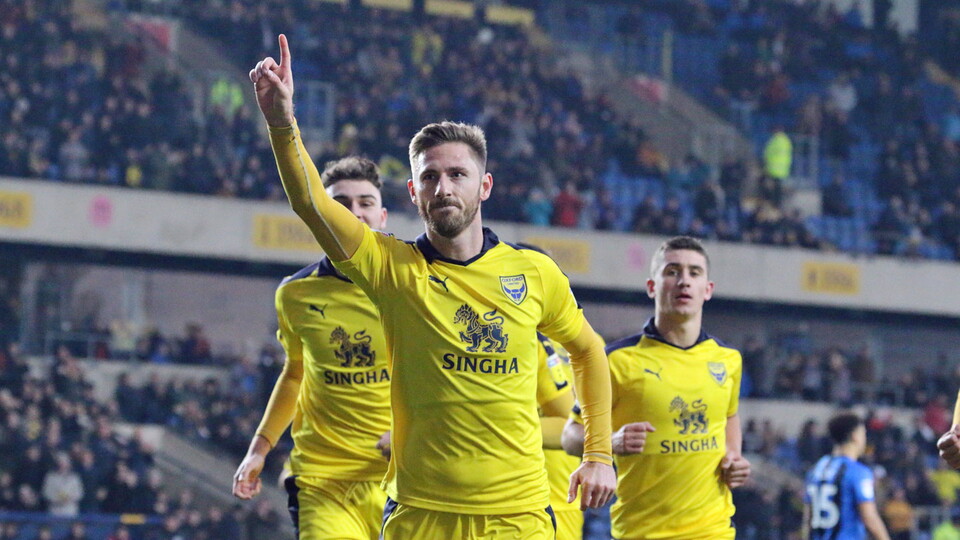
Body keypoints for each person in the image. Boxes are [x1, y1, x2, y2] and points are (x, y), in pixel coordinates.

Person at [249, 34, 615, 539]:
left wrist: (599, 453)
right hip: (421, 515)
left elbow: (589, 351)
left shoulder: (533, 271)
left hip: (518, 517)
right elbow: (311, 203)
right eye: (430, 177)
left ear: (484, 186)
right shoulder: (391, 268)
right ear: (413, 192)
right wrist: (281, 121)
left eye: (458, 174)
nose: (444, 188)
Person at [232, 157, 391, 539]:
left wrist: (408, 432)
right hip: (322, 479)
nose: (354, 213)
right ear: (320, 216)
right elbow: (295, 375)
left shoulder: (412, 285)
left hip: (402, 477)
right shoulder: (296, 293)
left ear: (382, 217)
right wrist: (259, 448)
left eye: (366, 203)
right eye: (340, 203)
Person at [562, 236, 751, 539]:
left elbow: (729, 415)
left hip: (714, 530)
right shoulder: (616, 360)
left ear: (708, 289)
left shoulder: (728, 359)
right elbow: (570, 435)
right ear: (652, 286)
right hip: (642, 531)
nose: (684, 281)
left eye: (694, 273)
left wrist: (734, 457)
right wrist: (611, 442)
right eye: (672, 271)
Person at [804, 412, 891, 540]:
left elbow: (808, 518)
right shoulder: (858, 472)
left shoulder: (816, 469)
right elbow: (869, 517)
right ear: (855, 436)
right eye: (863, 433)